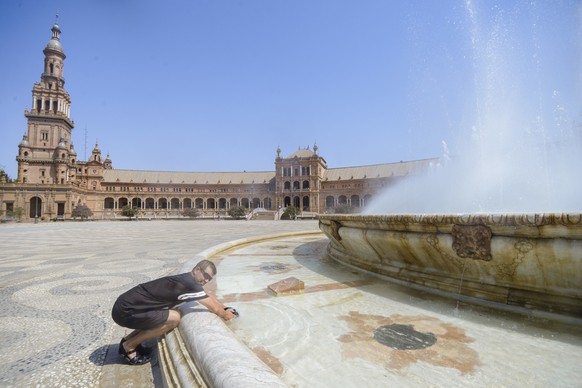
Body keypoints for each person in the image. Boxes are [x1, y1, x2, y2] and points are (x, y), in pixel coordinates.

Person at [112, 259, 238, 365]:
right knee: (174, 318)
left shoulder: (187, 279)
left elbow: (206, 295)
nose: (206, 280)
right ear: (196, 270)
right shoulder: (189, 283)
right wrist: (227, 315)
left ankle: (128, 340)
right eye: (205, 276)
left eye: (209, 279)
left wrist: (224, 307)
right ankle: (129, 346)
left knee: (164, 315)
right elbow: (215, 309)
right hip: (125, 312)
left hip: (126, 306)